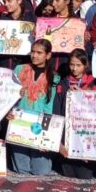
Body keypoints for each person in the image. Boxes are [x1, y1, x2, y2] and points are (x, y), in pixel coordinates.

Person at [9, 39, 60, 175]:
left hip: (40, 127)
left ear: (48, 55)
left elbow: (50, 107)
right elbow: (9, 95)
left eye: (39, 53)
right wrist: (10, 110)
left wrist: (47, 136)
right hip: (19, 124)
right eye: (33, 52)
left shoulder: (54, 77)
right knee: (22, 169)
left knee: (41, 171)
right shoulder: (19, 70)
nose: (34, 55)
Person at [59, 48, 96, 180]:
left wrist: (83, 95)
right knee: (68, 174)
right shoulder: (63, 83)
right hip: (67, 131)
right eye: (72, 65)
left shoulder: (93, 83)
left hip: (86, 130)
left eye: (78, 65)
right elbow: (58, 109)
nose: (74, 69)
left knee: (84, 175)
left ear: (85, 65)